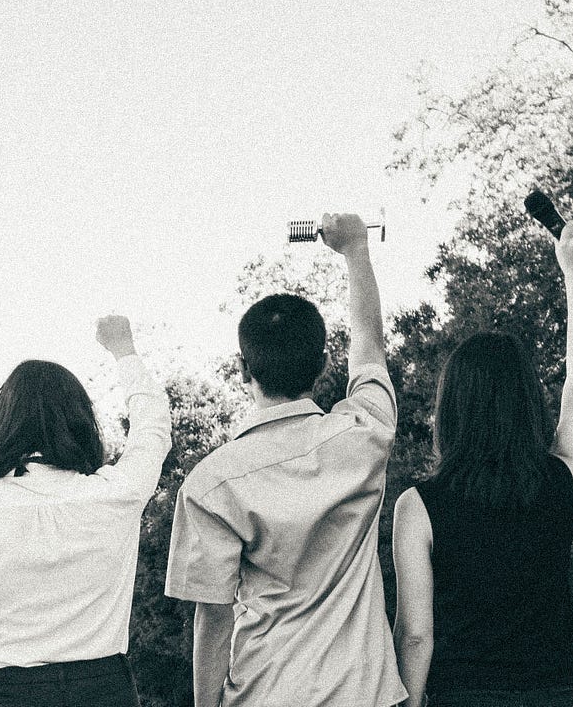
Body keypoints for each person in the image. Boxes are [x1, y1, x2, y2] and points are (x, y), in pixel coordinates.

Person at [167, 212, 407, 707]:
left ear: (242, 369)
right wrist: (356, 252)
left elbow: (213, 618)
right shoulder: (364, 435)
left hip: (265, 692)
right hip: (362, 694)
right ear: (323, 365)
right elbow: (370, 353)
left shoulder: (210, 484)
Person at [391, 224, 573, 707]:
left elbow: (416, 636)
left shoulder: (418, 507)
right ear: (527, 402)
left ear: (451, 409)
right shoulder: (564, 480)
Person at [0, 315, 173, 707]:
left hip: (11, 695)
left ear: (4, 425)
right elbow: (153, 429)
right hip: (107, 691)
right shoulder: (115, 493)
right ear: (80, 422)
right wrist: (123, 350)